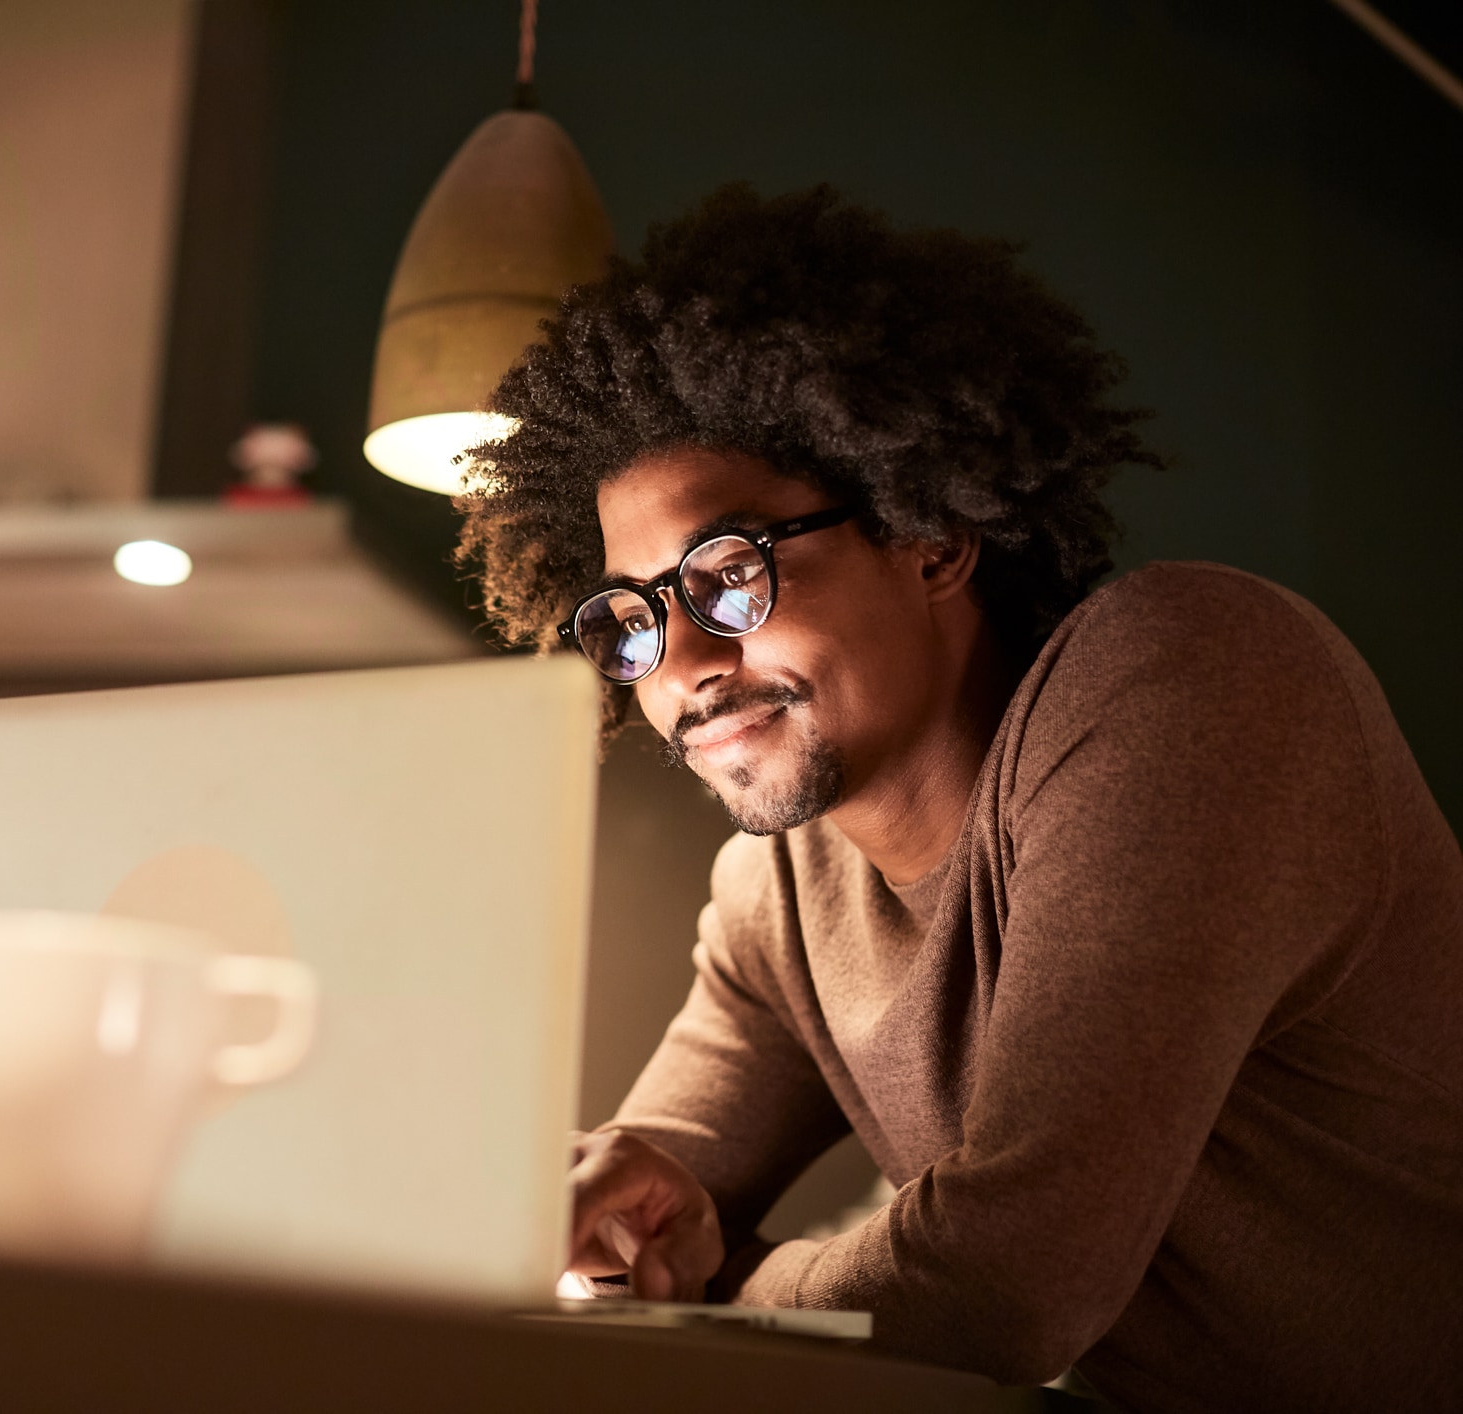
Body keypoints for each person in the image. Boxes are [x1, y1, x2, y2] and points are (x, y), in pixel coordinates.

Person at [456, 184, 1463, 1411]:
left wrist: (736, 1289)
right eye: (635, 617)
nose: (684, 668)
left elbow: (1002, 1282)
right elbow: (633, 1219)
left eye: (728, 574)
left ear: (929, 535)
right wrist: (621, 1235)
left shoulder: (1190, 677)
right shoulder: (781, 892)